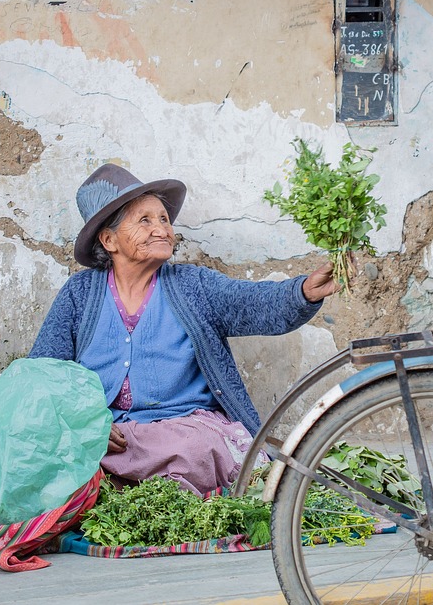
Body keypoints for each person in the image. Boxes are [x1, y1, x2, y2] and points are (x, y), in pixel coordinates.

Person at [28, 163, 339, 497]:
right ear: (109, 239)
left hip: (181, 429)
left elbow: (253, 304)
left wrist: (303, 292)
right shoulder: (80, 293)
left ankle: (118, 489)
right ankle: (113, 484)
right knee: (37, 438)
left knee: (195, 449)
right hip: (104, 435)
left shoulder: (193, 285)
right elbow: (44, 372)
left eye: (163, 219)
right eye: (144, 220)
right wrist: (85, 424)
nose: (162, 229)